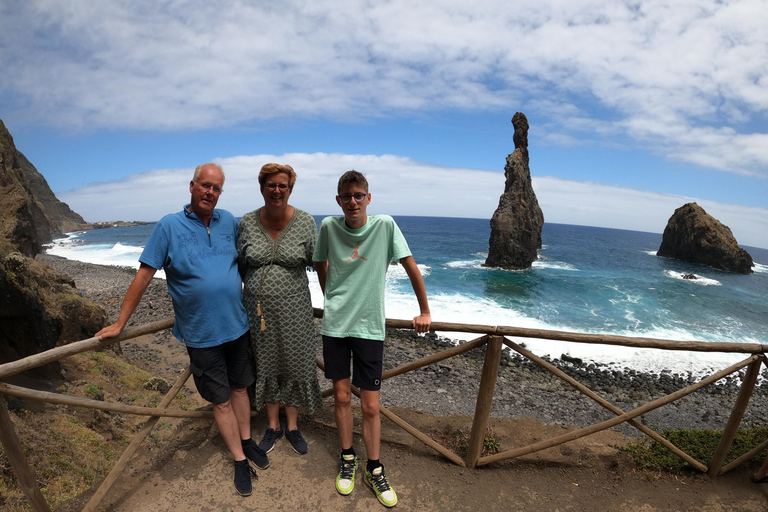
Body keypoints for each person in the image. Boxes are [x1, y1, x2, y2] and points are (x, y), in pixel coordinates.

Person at [95, 162, 269, 497]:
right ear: (192, 186)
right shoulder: (169, 227)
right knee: (220, 401)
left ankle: (247, 441)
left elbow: (246, 262)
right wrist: (120, 323)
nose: (210, 193)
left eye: (217, 188)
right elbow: (144, 276)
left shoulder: (228, 221)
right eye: (205, 186)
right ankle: (237, 459)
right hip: (202, 334)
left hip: (237, 326)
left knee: (241, 390)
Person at [313, 170, 431, 508]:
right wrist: (330, 295)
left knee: (370, 405)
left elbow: (411, 266)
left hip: (369, 328)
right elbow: (320, 262)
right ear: (338, 200)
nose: (353, 201)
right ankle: (347, 458)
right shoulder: (328, 228)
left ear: (368, 198)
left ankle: (374, 468)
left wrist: (424, 310)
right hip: (336, 326)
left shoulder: (385, 226)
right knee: (339, 397)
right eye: (347, 196)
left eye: (359, 195)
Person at [236, 163, 323, 456]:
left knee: (295, 362)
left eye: (282, 186)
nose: (276, 190)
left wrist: (332, 300)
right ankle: (273, 425)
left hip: (296, 309)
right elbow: (239, 265)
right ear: (262, 188)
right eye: (271, 185)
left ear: (290, 189)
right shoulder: (247, 222)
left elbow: (319, 262)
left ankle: (293, 426)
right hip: (257, 313)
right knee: (267, 363)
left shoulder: (306, 221)